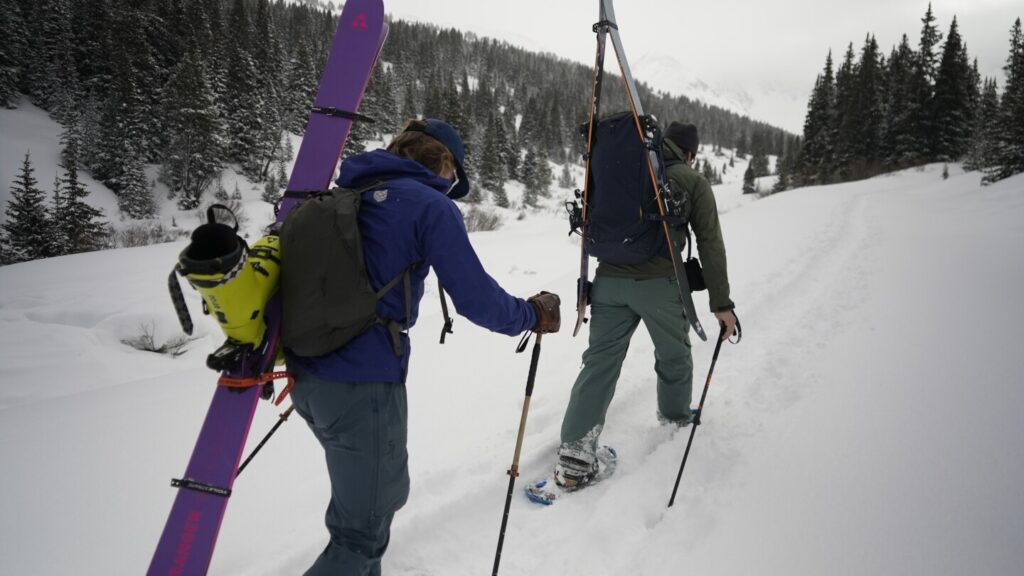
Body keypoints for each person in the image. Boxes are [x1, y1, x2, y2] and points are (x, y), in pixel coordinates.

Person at [286, 118, 561, 575]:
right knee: (361, 533)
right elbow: (475, 297)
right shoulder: (428, 204)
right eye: (454, 179)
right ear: (445, 161)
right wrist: (530, 316)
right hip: (363, 381)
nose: (452, 189)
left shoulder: (348, 195)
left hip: (309, 377)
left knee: (365, 513)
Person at [553, 121, 737, 489]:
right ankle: (674, 421)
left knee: (600, 363)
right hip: (660, 286)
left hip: (607, 282)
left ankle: (575, 455)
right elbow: (710, 244)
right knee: (673, 357)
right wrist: (722, 303)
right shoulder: (691, 180)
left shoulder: (624, 167)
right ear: (689, 153)